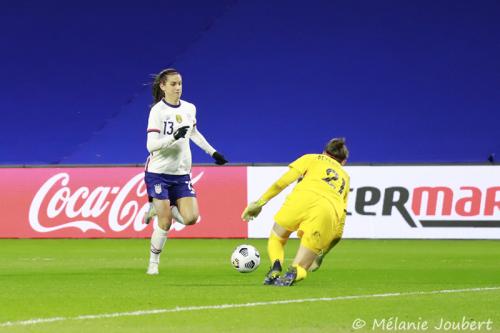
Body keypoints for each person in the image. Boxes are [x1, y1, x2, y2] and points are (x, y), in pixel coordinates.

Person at [144, 68, 228, 275]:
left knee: (191, 219)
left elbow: (194, 133)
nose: (177, 88)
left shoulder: (190, 108)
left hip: (181, 174)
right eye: (173, 84)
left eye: (180, 83)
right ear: (163, 86)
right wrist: (173, 137)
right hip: (158, 172)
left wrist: (213, 152)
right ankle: (153, 263)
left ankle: (167, 208)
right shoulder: (157, 111)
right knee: (164, 222)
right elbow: (150, 146)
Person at [241, 138, 349, 286]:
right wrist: (321, 254)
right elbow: (339, 230)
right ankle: (294, 271)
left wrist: (260, 203)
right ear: (343, 162)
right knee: (302, 266)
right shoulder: (345, 178)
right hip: (327, 211)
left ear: (324, 152)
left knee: (277, 238)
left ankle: (275, 267)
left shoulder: (311, 158)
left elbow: (282, 182)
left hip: (301, 199)